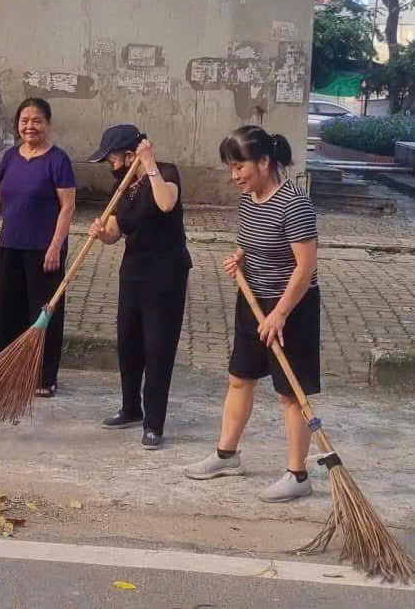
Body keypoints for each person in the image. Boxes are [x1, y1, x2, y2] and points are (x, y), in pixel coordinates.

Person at [184, 126, 320, 503]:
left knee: (291, 394)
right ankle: (227, 455)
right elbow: (251, 243)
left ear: (264, 162)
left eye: (239, 165)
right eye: (231, 167)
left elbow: (304, 269)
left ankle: (298, 474)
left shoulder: (295, 204)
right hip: (253, 301)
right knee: (239, 379)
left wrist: (279, 314)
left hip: (292, 308)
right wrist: (240, 258)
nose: (234, 175)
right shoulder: (250, 200)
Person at [88, 125, 192, 449]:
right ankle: (131, 407)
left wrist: (149, 166)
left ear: (130, 155)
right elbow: (116, 231)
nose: (110, 164)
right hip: (133, 271)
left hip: (166, 274)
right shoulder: (122, 189)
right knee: (128, 342)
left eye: (112, 157)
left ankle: (154, 423)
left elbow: (165, 204)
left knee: (157, 348)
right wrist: (101, 232)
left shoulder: (165, 173)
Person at [0, 97, 76, 397]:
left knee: (42, 314)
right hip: (10, 245)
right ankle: (3, 371)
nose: (30, 126)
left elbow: (67, 207)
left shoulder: (58, 160)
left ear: (48, 124)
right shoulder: (10, 157)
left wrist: (56, 246)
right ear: (17, 125)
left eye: (37, 120)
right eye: (25, 121)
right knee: (7, 311)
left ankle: (42, 377)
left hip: (44, 249)